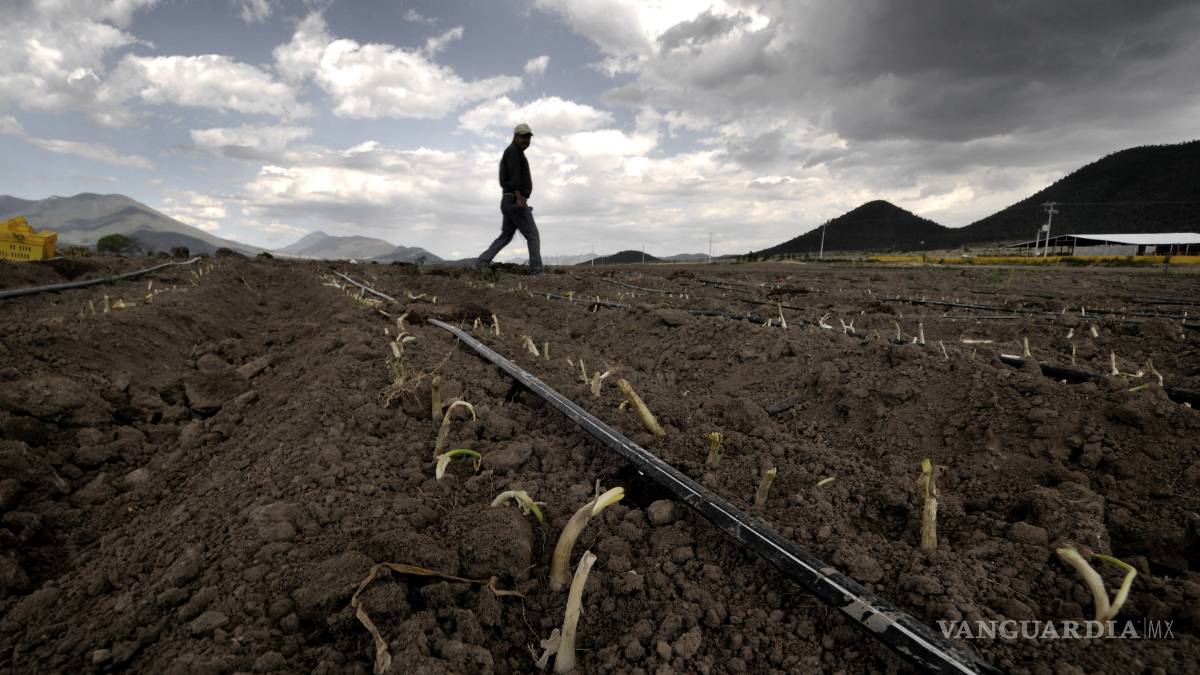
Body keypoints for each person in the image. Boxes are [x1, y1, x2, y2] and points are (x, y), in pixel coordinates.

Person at [475, 123, 543, 275]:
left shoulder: (515, 152)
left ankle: (482, 261)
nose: (526, 140)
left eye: (528, 137)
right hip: (514, 199)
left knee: (506, 236)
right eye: (523, 137)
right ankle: (536, 271)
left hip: (508, 200)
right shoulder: (514, 152)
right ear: (515, 136)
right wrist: (519, 198)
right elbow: (513, 178)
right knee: (532, 235)